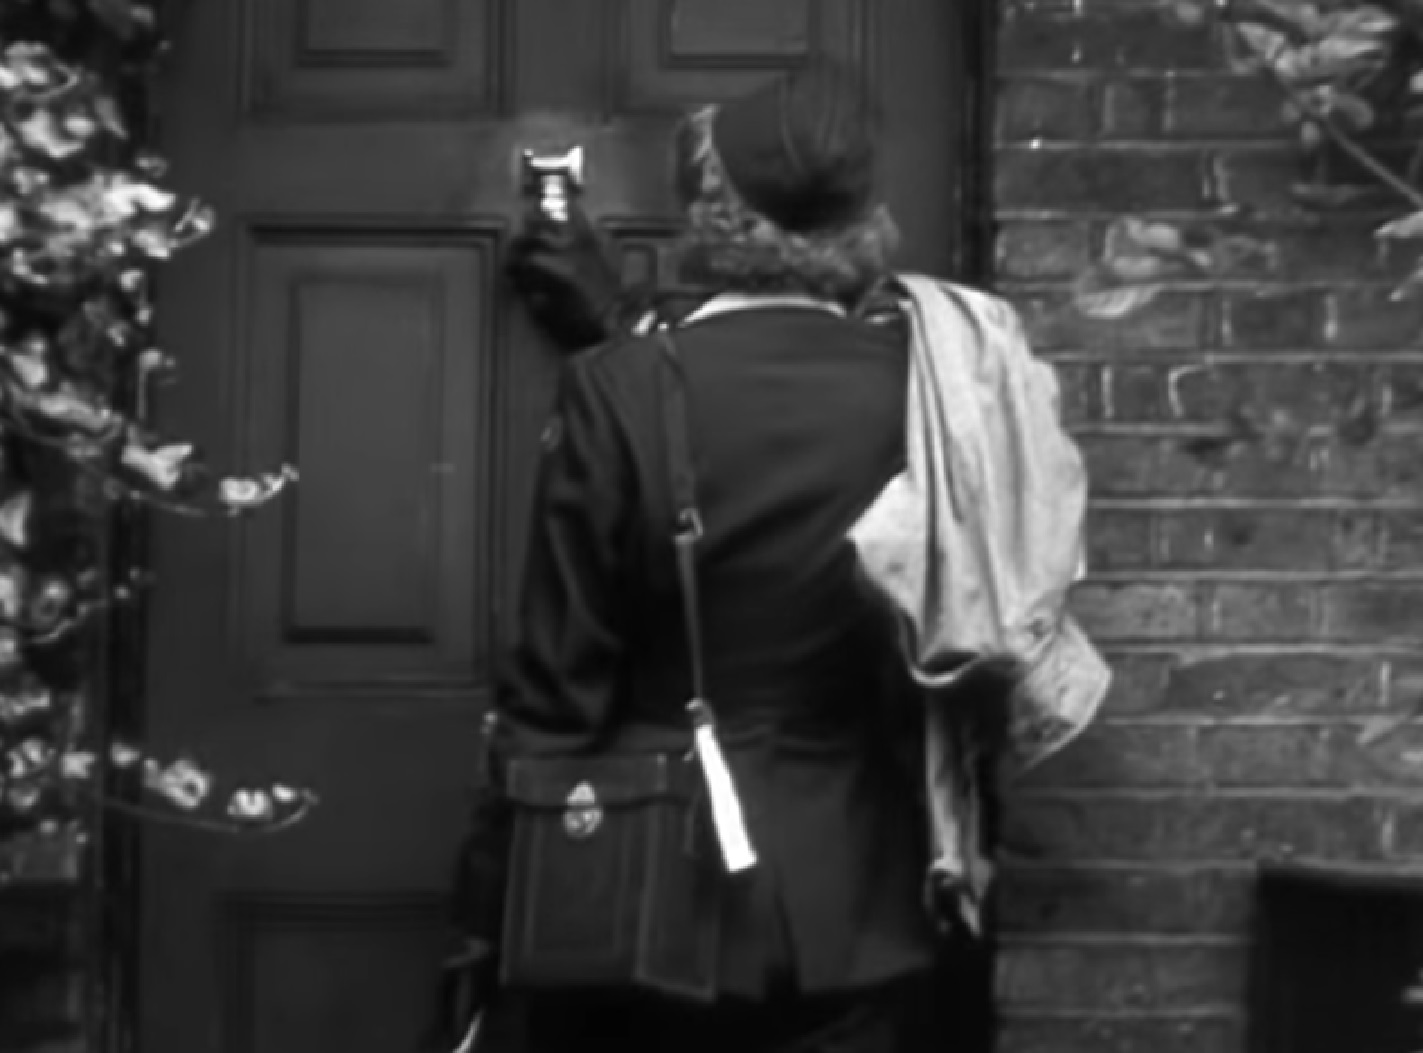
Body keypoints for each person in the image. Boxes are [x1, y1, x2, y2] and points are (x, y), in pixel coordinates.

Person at [496, 58, 942, 1053]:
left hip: (657, 909)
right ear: (858, 222)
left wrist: (484, 914)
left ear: (714, 212)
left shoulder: (620, 388)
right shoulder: (933, 394)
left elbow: (556, 689)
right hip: (867, 903)